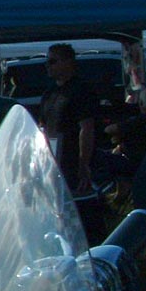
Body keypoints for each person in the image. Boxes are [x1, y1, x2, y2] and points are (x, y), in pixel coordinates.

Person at [39, 43, 104, 242]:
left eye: (53, 61)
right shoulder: (50, 93)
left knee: (81, 211)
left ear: (68, 62)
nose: (48, 66)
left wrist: (84, 163)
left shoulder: (80, 90)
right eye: (47, 61)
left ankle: (90, 245)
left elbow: (87, 128)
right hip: (55, 159)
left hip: (73, 159)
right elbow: (44, 127)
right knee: (58, 211)